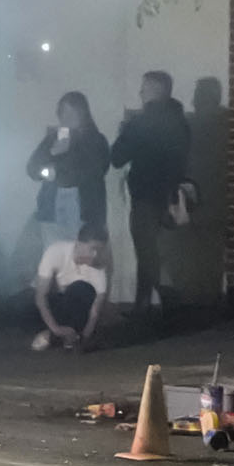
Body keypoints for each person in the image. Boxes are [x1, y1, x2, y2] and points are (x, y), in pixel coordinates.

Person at [112, 70, 192, 322]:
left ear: (156, 90)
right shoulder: (180, 121)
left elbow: (117, 158)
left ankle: (152, 304)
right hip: (170, 195)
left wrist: (123, 132)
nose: (140, 92)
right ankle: (163, 302)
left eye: (145, 87)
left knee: (146, 251)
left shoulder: (140, 123)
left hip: (145, 195)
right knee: (163, 251)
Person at [27, 92, 109, 239]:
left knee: (78, 255)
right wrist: (53, 153)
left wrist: (58, 169)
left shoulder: (95, 140)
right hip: (51, 207)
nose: (67, 117)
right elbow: (32, 168)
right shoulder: (54, 138)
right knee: (54, 254)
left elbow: (92, 171)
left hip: (83, 209)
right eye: (63, 112)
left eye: (72, 112)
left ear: (83, 113)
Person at [32, 225, 113, 351]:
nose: (95, 254)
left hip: (79, 315)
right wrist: (56, 329)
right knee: (22, 305)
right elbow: (40, 296)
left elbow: (95, 311)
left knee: (80, 288)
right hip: (58, 308)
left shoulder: (98, 268)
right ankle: (57, 335)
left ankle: (59, 336)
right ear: (79, 243)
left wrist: (85, 336)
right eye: (93, 248)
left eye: (99, 250)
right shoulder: (56, 251)